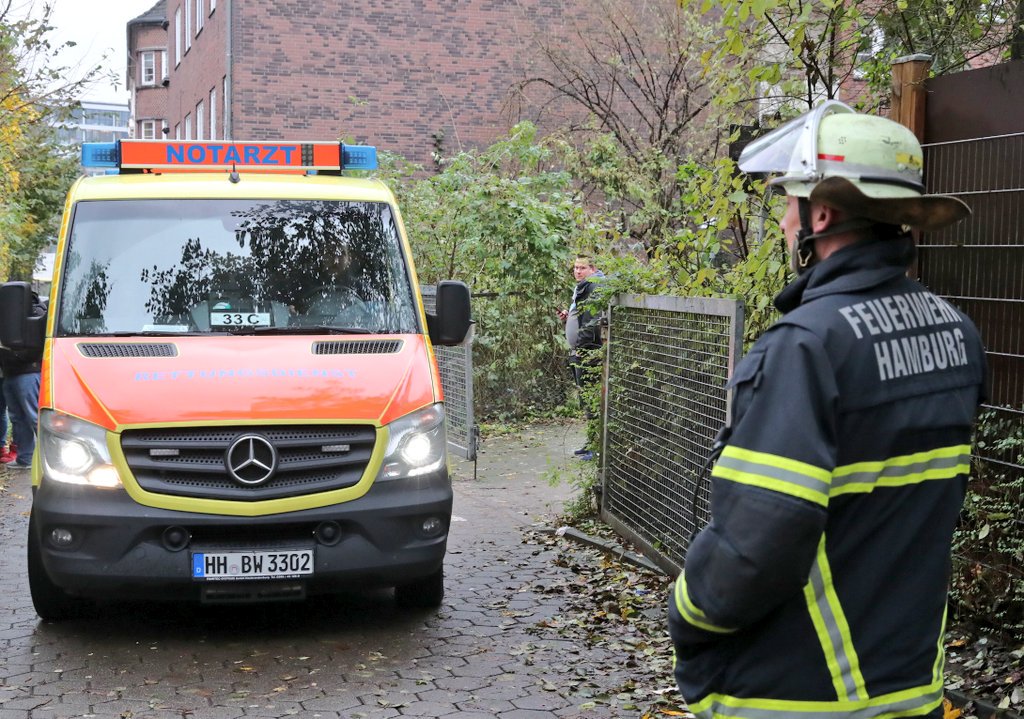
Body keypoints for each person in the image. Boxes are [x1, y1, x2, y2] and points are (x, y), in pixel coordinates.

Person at [667, 101, 987, 719]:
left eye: (790, 203)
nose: (785, 220)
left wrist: (689, 612)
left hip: (797, 693)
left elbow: (757, 543)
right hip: (908, 688)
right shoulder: (958, 334)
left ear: (821, 213)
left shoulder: (805, 347)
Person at [558, 254, 605, 461]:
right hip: (580, 351)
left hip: (588, 353)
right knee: (586, 399)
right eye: (576, 267)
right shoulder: (583, 287)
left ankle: (596, 447)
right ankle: (592, 441)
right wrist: (569, 319)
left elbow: (593, 322)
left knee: (592, 399)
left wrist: (581, 347)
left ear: (592, 269)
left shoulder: (594, 287)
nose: (577, 271)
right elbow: (582, 318)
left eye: (582, 268)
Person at [1, 292, 45, 470]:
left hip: (27, 372)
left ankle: (52, 459)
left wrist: (18, 356)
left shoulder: (35, 312)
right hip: (10, 372)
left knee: (34, 417)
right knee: (17, 418)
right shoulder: (9, 313)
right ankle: (25, 458)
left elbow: (39, 344)